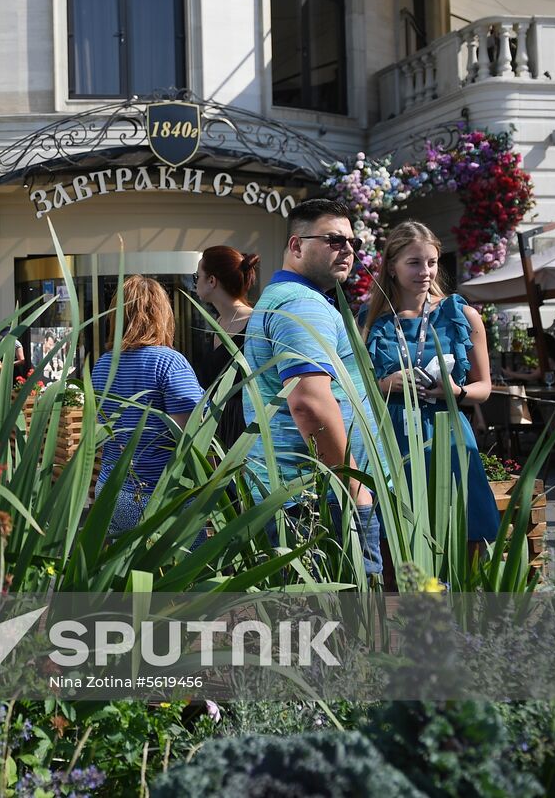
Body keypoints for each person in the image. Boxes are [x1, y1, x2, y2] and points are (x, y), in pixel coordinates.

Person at [242, 199, 382, 577]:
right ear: (296, 246)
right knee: (348, 626)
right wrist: (354, 488)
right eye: (334, 240)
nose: (348, 250)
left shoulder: (284, 299)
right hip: (319, 497)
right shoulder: (303, 305)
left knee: (307, 623)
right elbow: (308, 404)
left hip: (302, 492)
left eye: (352, 242)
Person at [361, 221, 499, 545]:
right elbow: (353, 384)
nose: (425, 271)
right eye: (414, 262)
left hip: (446, 431)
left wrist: (457, 391)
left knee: (464, 533)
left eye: (432, 262)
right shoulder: (369, 319)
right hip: (392, 435)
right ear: (392, 267)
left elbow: (484, 388)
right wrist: (384, 385)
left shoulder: (461, 314)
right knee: (395, 538)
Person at [91, 276, 204, 535]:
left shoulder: (103, 364)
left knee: (120, 572)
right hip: (156, 496)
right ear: (161, 315)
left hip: (110, 491)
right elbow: (190, 434)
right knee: (181, 572)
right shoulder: (169, 362)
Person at [193, 246, 260, 449]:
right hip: (216, 429)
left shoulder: (256, 323)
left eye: (197, 276)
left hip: (247, 432)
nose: (195, 282)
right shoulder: (217, 322)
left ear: (212, 281)